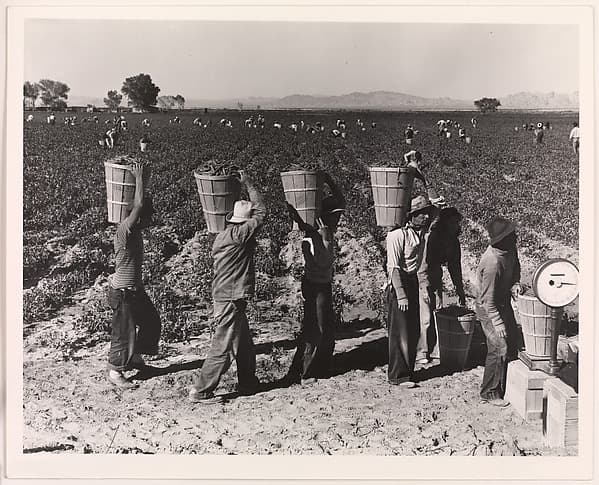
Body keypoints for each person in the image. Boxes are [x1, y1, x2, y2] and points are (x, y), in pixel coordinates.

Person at [189, 171, 266, 404]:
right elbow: (261, 212)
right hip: (230, 297)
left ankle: (248, 381)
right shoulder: (240, 236)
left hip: (228, 295)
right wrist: (249, 183)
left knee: (244, 343)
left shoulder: (224, 235)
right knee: (223, 347)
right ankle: (201, 391)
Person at [285, 172, 346, 385]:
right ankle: (304, 372)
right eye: (334, 216)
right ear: (325, 218)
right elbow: (323, 262)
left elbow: (341, 200)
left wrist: (328, 180)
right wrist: (325, 239)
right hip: (316, 287)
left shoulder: (324, 233)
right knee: (315, 328)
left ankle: (322, 365)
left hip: (324, 286)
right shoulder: (312, 239)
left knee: (327, 327)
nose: (338, 219)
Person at [107, 162, 161, 389]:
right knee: (123, 334)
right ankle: (115, 371)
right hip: (123, 293)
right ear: (138, 217)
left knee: (151, 322)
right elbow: (138, 204)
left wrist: (142, 181)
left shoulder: (135, 231)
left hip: (134, 290)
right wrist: (138, 177)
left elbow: (139, 204)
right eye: (147, 218)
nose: (150, 222)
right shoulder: (125, 230)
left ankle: (136, 357)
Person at [385, 195, 435, 387]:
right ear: (410, 216)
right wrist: (401, 295)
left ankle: (407, 371)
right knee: (400, 332)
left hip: (411, 280)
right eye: (420, 214)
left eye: (426, 214)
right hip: (400, 284)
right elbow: (394, 267)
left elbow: (436, 213)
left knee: (412, 330)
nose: (425, 217)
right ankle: (398, 376)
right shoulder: (398, 235)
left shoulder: (419, 233)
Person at [475, 217, 525, 407]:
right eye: (511, 235)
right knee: (499, 346)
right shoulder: (492, 263)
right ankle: (489, 392)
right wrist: (497, 323)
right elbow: (488, 301)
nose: (515, 237)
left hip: (501, 301)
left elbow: (516, 265)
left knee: (512, 341)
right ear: (501, 239)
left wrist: (516, 282)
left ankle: (507, 386)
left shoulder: (509, 249)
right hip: (488, 308)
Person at [416, 205, 467, 365]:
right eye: (452, 223)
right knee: (425, 317)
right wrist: (424, 287)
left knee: (438, 312)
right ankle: (421, 352)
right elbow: (422, 265)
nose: (455, 226)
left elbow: (454, 267)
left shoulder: (453, 242)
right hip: (422, 276)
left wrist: (460, 290)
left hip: (436, 276)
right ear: (445, 223)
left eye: (456, 223)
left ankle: (437, 349)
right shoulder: (431, 238)